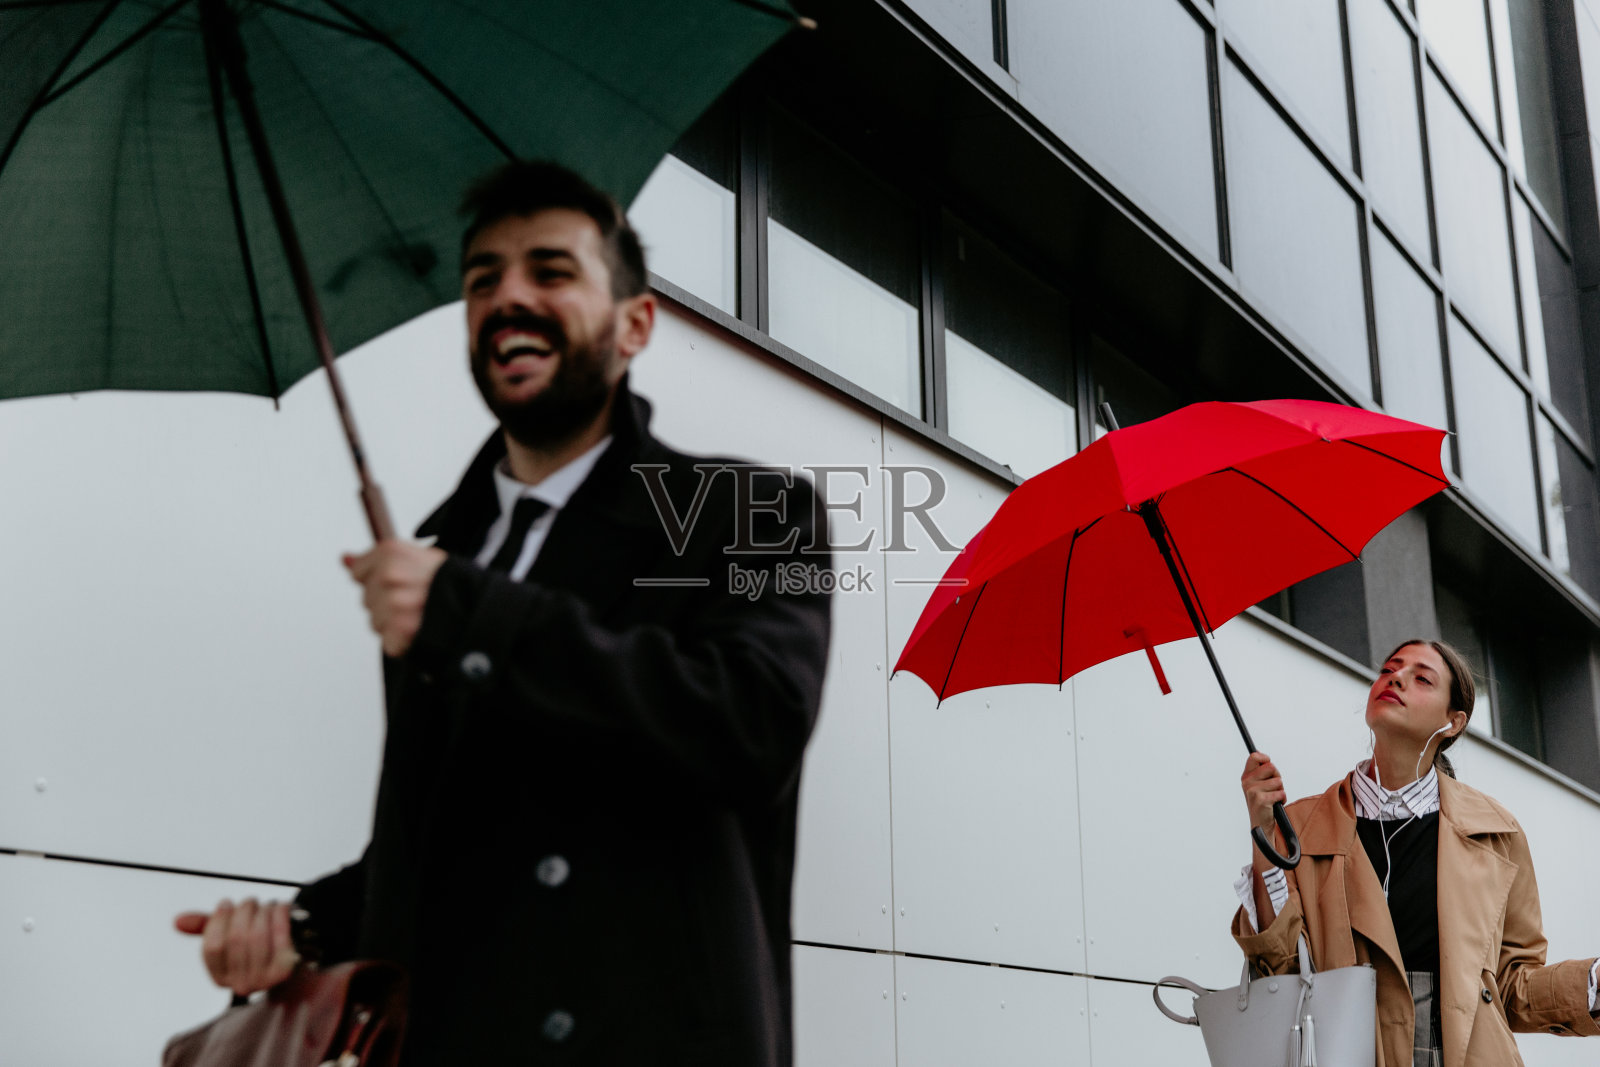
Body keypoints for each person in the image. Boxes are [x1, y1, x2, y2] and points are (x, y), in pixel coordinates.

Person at [173, 161, 833, 1065]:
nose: (508, 298)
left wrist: (473, 614)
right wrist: (299, 926)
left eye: (550, 272)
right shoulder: (440, 549)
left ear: (635, 323)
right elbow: (441, 840)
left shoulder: (752, 511)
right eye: (482, 280)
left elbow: (755, 724)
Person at [1235, 639, 1599, 1066]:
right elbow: (1278, 969)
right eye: (1390, 668)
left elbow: (1511, 986)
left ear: (1452, 722)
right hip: (1344, 1052)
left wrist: (1592, 983)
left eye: (1421, 677)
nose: (1396, 677)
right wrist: (1262, 833)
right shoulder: (1299, 826)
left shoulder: (1496, 832)